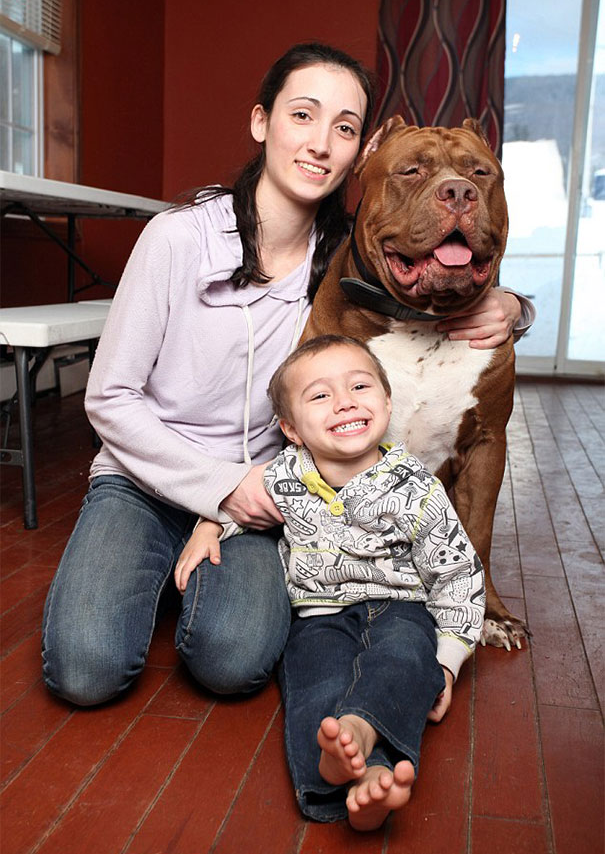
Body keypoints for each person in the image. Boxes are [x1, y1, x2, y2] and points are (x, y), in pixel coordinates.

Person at [42, 42, 530, 708]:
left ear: (359, 153)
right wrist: (216, 490)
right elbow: (109, 397)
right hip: (143, 474)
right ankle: (146, 557)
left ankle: (186, 564)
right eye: (302, 115)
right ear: (260, 121)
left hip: (259, 492)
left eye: (345, 127)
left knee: (233, 662)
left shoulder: (345, 267)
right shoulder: (178, 237)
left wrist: (510, 304)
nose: (320, 143)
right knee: (86, 670)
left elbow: (438, 277)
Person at [177, 334, 485, 831]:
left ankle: (363, 736)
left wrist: (446, 665)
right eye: (320, 395)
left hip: (401, 607)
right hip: (316, 617)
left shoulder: (417, 487)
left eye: (360, 386)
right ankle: (341, 776)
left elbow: (457, 576)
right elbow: (238, 507)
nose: (345, 401)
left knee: (405, 662)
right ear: (291, 429)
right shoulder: (282, 478)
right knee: (314, 683)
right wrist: (210, 525)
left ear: (387, 403)